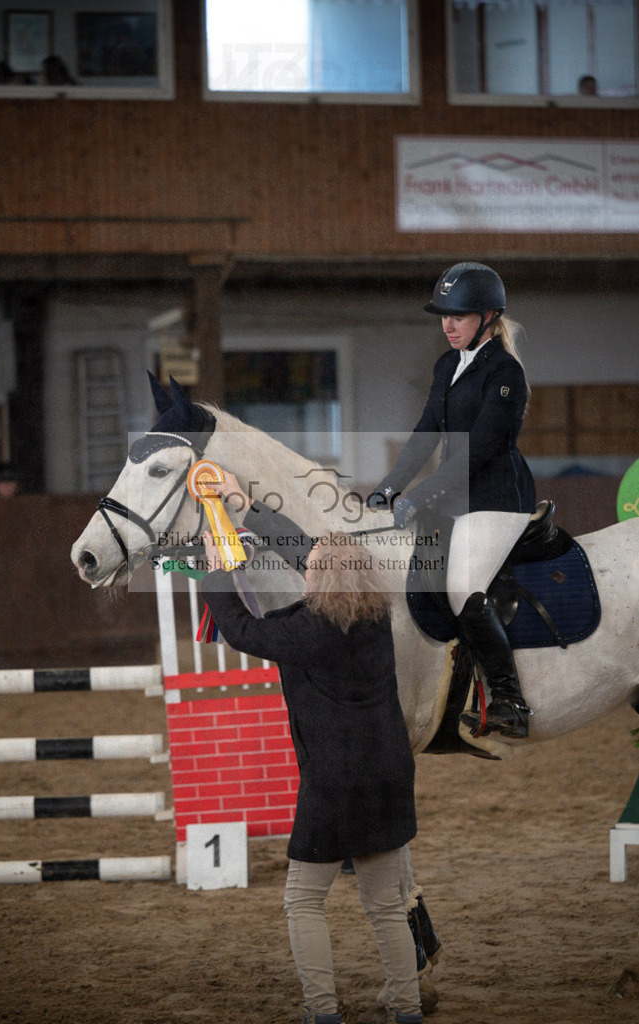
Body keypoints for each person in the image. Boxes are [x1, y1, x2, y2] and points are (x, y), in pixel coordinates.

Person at [200, 475, 423, 1024]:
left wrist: (217, 565)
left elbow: (240, 630)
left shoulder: (307, 629)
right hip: (390, 775)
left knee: (303, 902)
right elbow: (314, 556)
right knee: (386, 906)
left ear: (318, 577)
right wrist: (244, 506)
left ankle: (322, 1012)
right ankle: (407, 1008)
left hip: (334, 785)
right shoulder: (376, 617)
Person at [369, 262, 536, 740]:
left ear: (487, 316)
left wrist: (420, 494)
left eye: (458, 317)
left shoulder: (505, 373)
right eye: (443, 316)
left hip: (497, 498)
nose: (447, 325)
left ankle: (509, 700)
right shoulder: (447, 365)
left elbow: (480, 450)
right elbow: (426, 433)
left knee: (463, 587)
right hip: (454, 496)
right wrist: (390, 485)